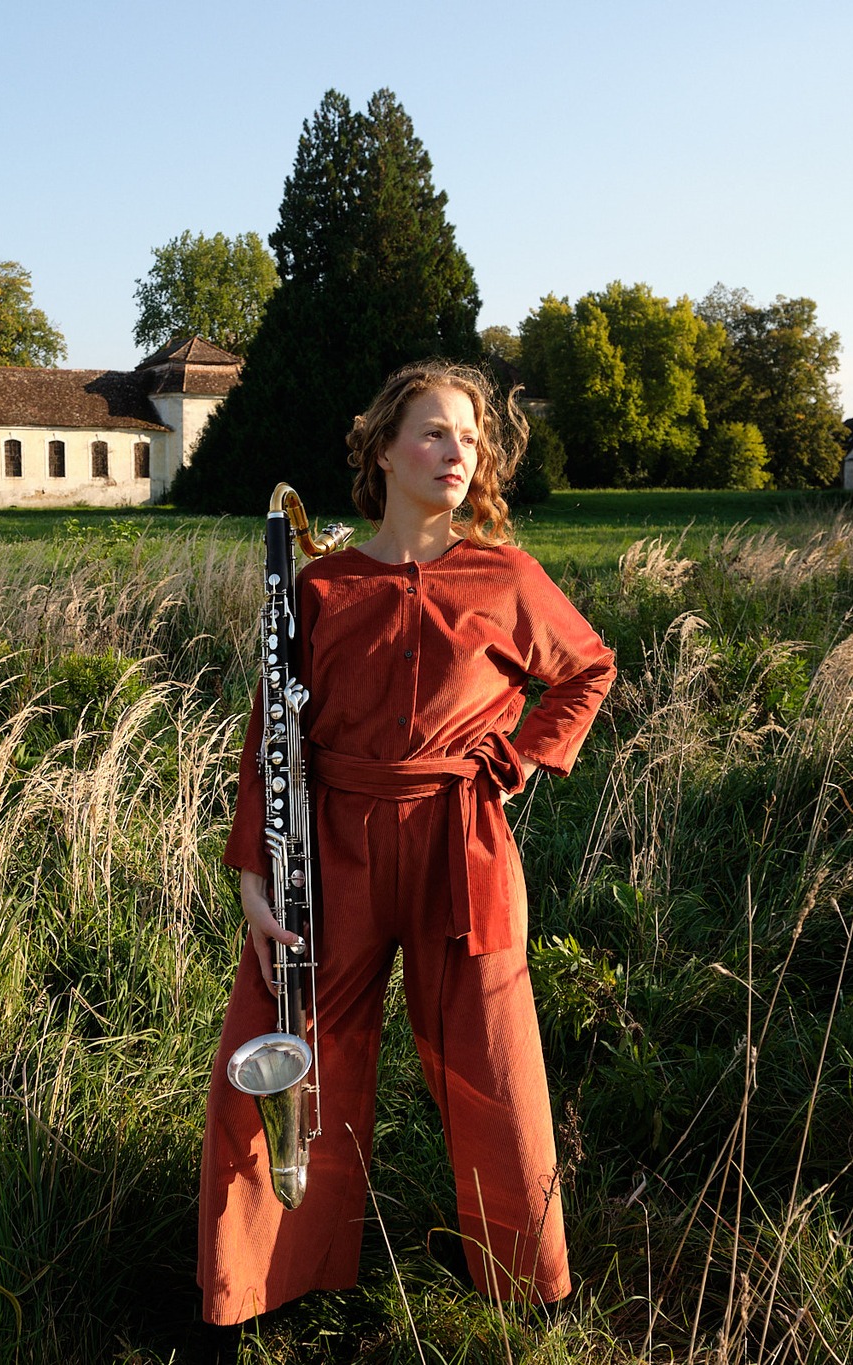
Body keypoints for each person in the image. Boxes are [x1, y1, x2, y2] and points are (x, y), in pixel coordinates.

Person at [197, 360, 618, 1326]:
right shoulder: (322, 585)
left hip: (456, 845)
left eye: (470, 437)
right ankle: (259, 1284)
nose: (456, 453)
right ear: (382, 447)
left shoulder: (506, 577)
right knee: (281, 1046)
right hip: (329, 844)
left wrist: (514, 763)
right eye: (433, 433)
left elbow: (588, 669)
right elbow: (274, 733)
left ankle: (527, 1289)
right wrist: (254, 878)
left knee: (492, 1060)